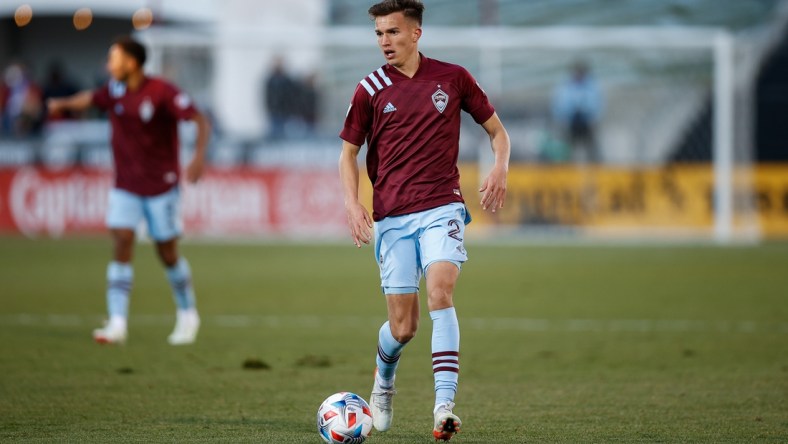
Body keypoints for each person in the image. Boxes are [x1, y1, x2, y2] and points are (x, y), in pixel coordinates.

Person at [338, 1, 510, 441]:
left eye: (392, 32)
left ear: (415, 34)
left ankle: (444, 407)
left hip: (442, 205)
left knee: (441, 291)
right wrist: (353, 203)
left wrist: (500, 166)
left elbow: (497, 132)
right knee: (403, 327)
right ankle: (384, 381)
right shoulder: (370, 88)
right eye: (378, 34)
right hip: (392, 215)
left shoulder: (453, 78)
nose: (384, 42)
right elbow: (349, 153)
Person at [47, 36, 211, 346]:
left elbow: (200, 120)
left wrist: (199, 156)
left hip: (161, 185)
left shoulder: (163, 92)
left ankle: (188, 314)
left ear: (132, 63)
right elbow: (90, 98)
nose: (109, 65)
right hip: (126, 185)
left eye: (114, 58)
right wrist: (63, 104)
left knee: (167, 253)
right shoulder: (114, 90)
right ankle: (117, 323)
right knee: (121, 241)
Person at [551, 60, 603, 163]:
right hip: (571, 122)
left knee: (591, 150)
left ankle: (595, 168)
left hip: (586, 122)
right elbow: (559, 104)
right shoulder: (566, 86)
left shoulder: (591, 86)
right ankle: (566, 167)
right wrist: (564, 117)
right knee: (568, 149)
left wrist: (590, 115)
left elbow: (597, 104)